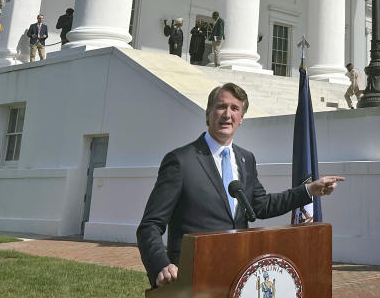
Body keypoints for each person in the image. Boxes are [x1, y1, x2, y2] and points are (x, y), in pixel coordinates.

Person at [136, 82, 344, 288]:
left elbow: (262, 206)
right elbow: (150, 225)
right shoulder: (181, 161)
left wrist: (308, 190)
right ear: (208, 113)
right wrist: (161, 266)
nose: (227, 114)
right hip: (193, 276)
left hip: (238, 275)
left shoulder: (246, 159)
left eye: (235, 109)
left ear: (241, 119)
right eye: (221, 106)